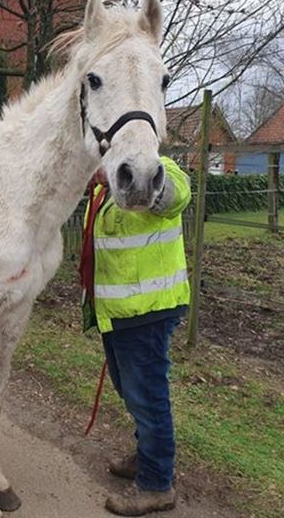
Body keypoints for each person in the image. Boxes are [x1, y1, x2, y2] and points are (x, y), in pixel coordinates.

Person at [80, 156, 191, 516]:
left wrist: (138, 176)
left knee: (148, 397)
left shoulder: (160, 169)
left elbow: (177, 196)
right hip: (118, 313)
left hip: (147, 310)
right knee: (131, 391)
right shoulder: (108, 185)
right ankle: (147, 457)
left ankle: (158, 484)